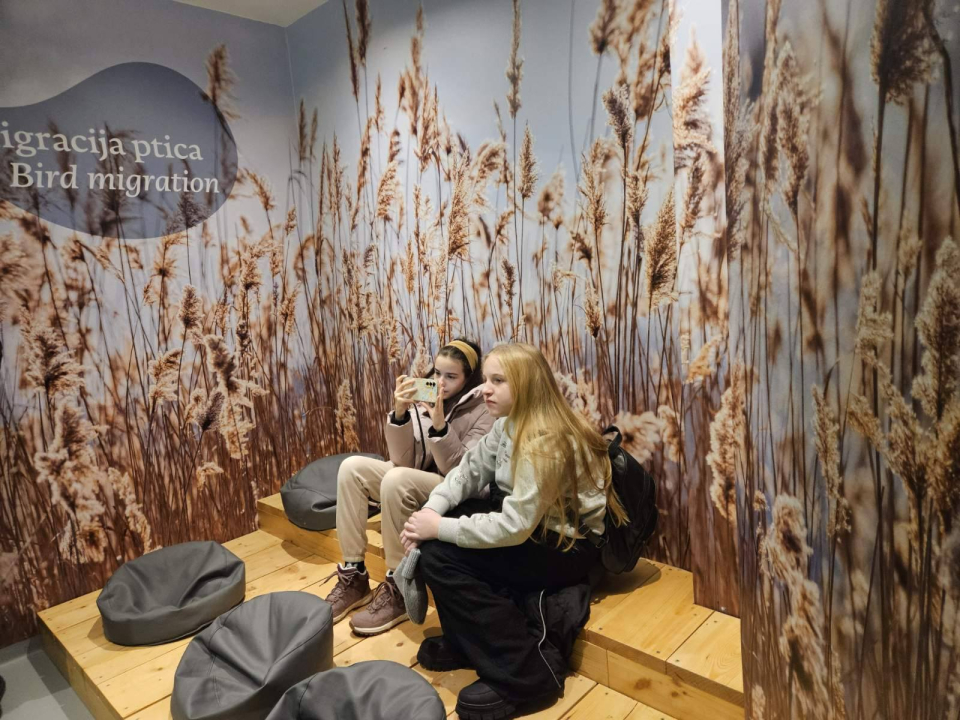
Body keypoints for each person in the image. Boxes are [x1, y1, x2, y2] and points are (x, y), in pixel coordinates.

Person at [400, 343, 626, 720]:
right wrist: (431, 512)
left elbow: (515, 527)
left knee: (441, 555)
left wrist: (438, 529)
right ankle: (466, 642)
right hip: (537, 527)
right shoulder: (508, 423)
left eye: (498, 381)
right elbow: (467, 473)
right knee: (443, 529)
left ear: (527, 385)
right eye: (486, 379)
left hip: (568, 546)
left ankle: (527, 673)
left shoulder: (546, 441)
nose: (484, 389)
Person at [323, 339, 494, 636]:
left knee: (396, 479)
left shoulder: (484, 408)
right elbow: (402, 460)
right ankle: (354, 575)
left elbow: (462, 474)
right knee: (352, 468)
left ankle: (399, 587)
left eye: (451, 376)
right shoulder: (426, 396)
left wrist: (440, 427)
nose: (440, 382)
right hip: (417, 477)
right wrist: (400, 414)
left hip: (456, 489)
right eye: (437, 372)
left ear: (469, 378)